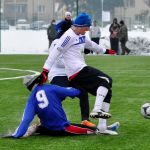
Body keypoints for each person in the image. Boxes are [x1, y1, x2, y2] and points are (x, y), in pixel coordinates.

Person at [36, 13, 118, 135]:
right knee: (106, 80)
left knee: (107, 91)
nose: (89, 29)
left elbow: (92, 45)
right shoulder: (68, 36)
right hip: (77, 71)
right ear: (81, 26)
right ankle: (96, 109)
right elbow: (54, 54)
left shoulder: (81, 35)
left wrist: (107, 51)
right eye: (87, 27)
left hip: (77, 72)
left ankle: (102, 127)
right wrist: (45, 71)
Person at [9, 82, 98, 138]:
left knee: (39, 125)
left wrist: (17, 135)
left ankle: (34, 129)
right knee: (91, 130)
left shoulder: (31, 99)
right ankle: (99, 130)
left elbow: (26, 120)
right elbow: (75, 92)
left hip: (46, 129)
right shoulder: (50, 87)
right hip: (61, 128)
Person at [48, 40, 95, 127]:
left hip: (70, 74)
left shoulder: (74, 41)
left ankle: (85, 120)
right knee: (59, 95)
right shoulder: (57, 42)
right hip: (57, 74)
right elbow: (58, 62)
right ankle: (46, 118)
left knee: (83, 93)